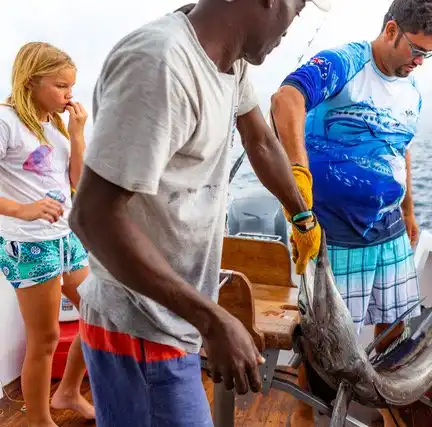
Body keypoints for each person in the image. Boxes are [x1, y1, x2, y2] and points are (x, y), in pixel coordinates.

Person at [68, 0, 329, 426]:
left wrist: (302, 216)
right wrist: (213, 320)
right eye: (296, 7)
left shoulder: (232, 61)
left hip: (173, 321)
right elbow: (92, 217)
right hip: (138, 327)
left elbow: (260, 142)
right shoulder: (160, 63)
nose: (293, 23)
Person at [270, 0, 432, 423]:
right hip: (334, 240)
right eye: (417, 50)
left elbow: (399, 151)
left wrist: (409, 210)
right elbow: (286, 99)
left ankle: (387, 413)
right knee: (320, 349)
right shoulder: (345, 63)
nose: (420, 62)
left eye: (429, 54)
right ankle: (307, 417)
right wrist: (297, 172)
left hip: (388, 234)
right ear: (391, 31)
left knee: (395, 333)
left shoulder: (412, 91)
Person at [0, 42, 94, 426]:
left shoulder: (53, 127)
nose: (69, 94)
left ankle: (69, 389)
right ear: (31, 81)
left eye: (71, 86)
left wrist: (76, 134)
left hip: (63, 237)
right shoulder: (6, 121)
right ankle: (39, 420)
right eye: (60, 85)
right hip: (28, 243)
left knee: (100, 312)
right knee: (45, 339)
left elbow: (77, 181)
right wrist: (22, 208)